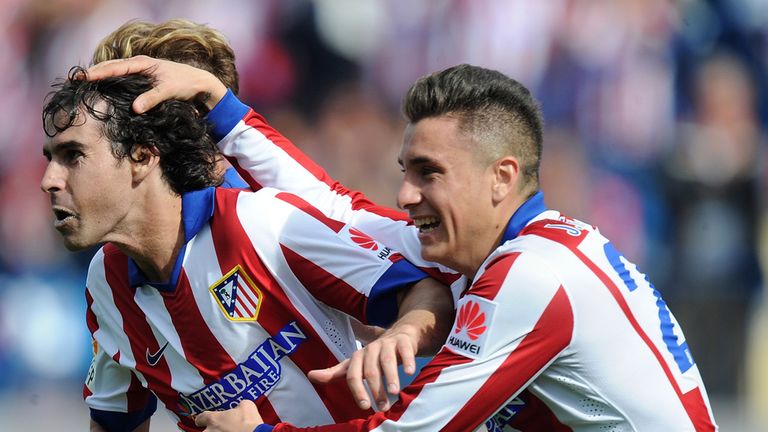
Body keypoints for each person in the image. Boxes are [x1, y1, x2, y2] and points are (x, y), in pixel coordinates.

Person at [86, 57, 719, 431]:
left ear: (501, 178)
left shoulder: (533, 277)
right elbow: (331, 210)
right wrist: (222, 108)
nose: (406, 196)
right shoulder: (494, 252)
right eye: (406, 171)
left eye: (429, 173)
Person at [41, 68, 456, 432]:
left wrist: (400, 334)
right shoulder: (105, 286)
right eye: (50, 159)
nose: (49, 180)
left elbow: (426, 293)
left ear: (143, 156)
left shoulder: (259, 224)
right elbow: (115, 419)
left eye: (72, 156)